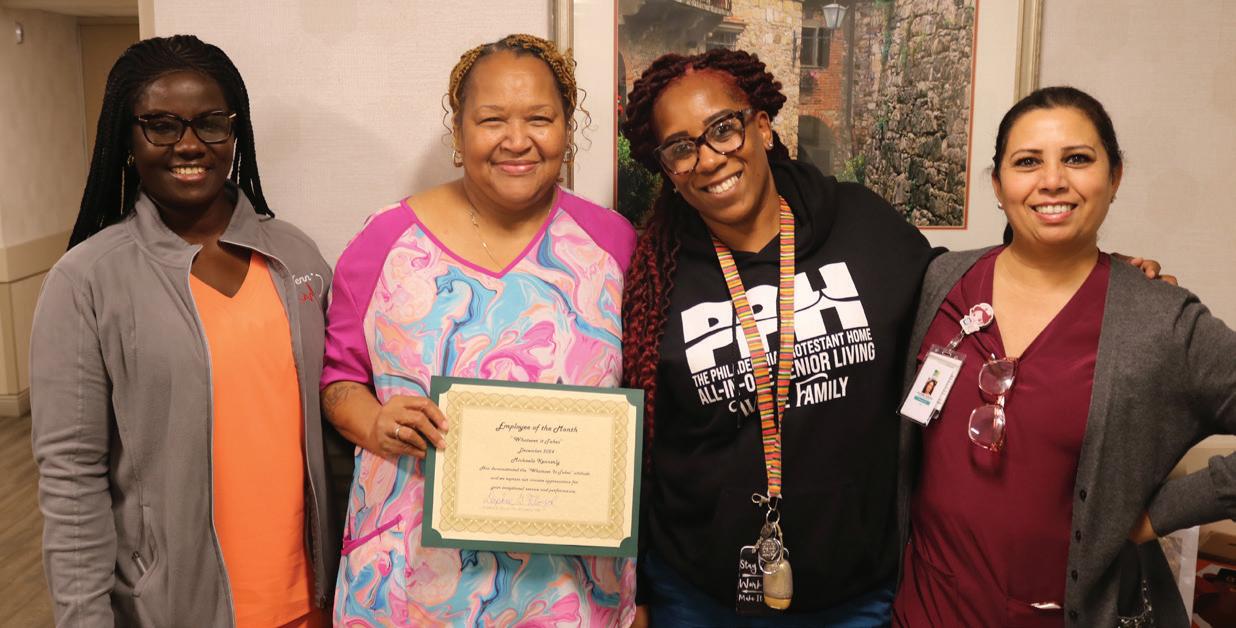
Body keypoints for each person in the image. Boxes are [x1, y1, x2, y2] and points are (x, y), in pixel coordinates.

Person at [320, 34, 637, 625]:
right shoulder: (385, 242)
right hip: (408, 581)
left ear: (567, 128)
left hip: (569, 588)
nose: (517, 140)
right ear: (459, 132)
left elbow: (648, 400)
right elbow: (339, 383)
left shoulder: (612, 244)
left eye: (539, 119)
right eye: (492, 120)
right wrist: (376, 422)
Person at [892, 86, 1236, 627]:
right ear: (998, 185)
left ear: (1114, 177)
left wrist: (1158, 514)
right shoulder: (943, 279)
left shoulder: (1160, 320)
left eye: (1077, 158)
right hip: (925, 611)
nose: (1052, 180)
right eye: (1028, 162)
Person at [30, 35, 340, 627]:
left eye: (211, 123)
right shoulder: (87, 280)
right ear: (126, 139)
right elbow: (71, 479)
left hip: (313, 603)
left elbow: (334, 424)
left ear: (235, 132)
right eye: (162, 126)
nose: (190, 144)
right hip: (173, 611)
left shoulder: (294, 255)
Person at [620, 48, 937, 626]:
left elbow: (957, 306)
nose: (709, 159)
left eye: (723, 129)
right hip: (698, 597)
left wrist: (1070, 275)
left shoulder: (862, 225)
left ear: (762, 128)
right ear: (667, 169)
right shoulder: (654, 278)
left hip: (855, 594)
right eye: (681, 148)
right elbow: (635, 445)